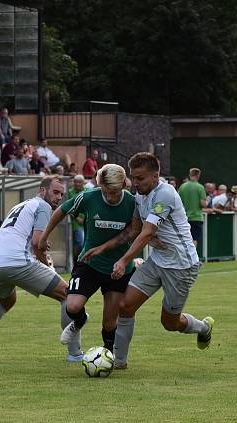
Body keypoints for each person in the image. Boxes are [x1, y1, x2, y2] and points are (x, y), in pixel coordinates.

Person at [83, 152, 214, 370]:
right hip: (157, 261)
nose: (135, 183)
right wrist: (102, 248)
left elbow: (146, 232)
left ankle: (202, 328)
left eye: (140, 178)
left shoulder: (165, 194)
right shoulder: (140, 197)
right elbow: (133, 230)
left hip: (181, 266)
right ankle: (119, 362)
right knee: (125, 306)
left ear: (155, 176)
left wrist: (124, 261)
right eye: (133, 178)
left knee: (169, 323)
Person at [0, 177, 68, 360]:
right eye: (55, 192)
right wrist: (49, 266)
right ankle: (74, 353)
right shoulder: (43, 206)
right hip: (17, 261)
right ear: (43, 191)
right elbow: (36, 243)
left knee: (6, 302)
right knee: (68, 295)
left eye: (62, 194)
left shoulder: (20, 206)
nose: (59, 197)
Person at [39, 164, 137, 363]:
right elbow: (61, 211)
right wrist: (43, 236)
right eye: (106, 192)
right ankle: (80, 320)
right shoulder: (88, 197)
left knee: (110, 323)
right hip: (89, 264)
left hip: (118, 269)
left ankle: (107, 356)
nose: (110, 197)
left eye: (115, 193)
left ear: (124, 186)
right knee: (72, 306)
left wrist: (107, 250)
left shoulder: (133, 203)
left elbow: (132, 232)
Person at [177, 167, 207, 248]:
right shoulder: (200, 187)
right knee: (194, 239)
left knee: (184, 240)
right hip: (196, 217)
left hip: (184, 217)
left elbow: (178, 202)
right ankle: (192, 260)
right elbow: (203, 204)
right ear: (198, 175)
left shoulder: (182, 187)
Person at [67, 175, 87, 259]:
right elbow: (68, 207)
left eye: (79, 182)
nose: (78, 184)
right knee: (80, 241)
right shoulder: (70, 192)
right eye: (76, 182)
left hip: (87, 221)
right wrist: (77, 218)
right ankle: (77, 259)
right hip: (76, 222)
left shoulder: (88, 191)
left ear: (83, 183)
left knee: (86, 242)